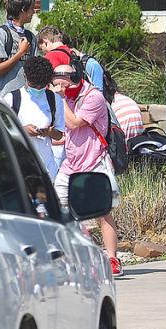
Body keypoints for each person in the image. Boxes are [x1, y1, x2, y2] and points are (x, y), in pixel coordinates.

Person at [50, 58, 121, 276]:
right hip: (71, 163)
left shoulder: (93, 97)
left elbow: (74, 123)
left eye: (66, 82)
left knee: (103, 211)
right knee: (56, 208)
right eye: (58, 83)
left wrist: (60, 98)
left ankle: (112, 259)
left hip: (94, 161)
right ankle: (68, 256)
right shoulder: (65, 98)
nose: (62, 87)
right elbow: (65, 131)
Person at [13, 54, 65, 178]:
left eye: (41, 85)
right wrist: (22, 130)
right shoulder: (12, 99)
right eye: (33, 84)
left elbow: (59, 135)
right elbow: (1, 131)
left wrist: (49, 132)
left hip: (47, 169)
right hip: (21, 170)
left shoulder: (54, 99)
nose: (37, 88)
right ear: (25, 77)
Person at [0, 0, 39, 94]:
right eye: (31, 9)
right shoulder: (1, 34)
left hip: (27, 100)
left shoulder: (31, 37)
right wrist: (20, 53)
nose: (33, 12)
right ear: (23, 10)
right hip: (5, 99)